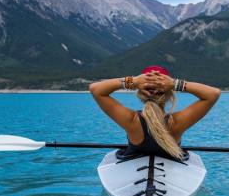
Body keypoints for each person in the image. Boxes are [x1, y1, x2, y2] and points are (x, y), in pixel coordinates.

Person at [89, 65, 221, 161]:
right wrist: (175, 83)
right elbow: (213, 94)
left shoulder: (131, 120)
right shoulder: (177, 122)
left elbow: (95, 89)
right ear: (170, 93)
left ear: (140, 93)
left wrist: (133, 81)